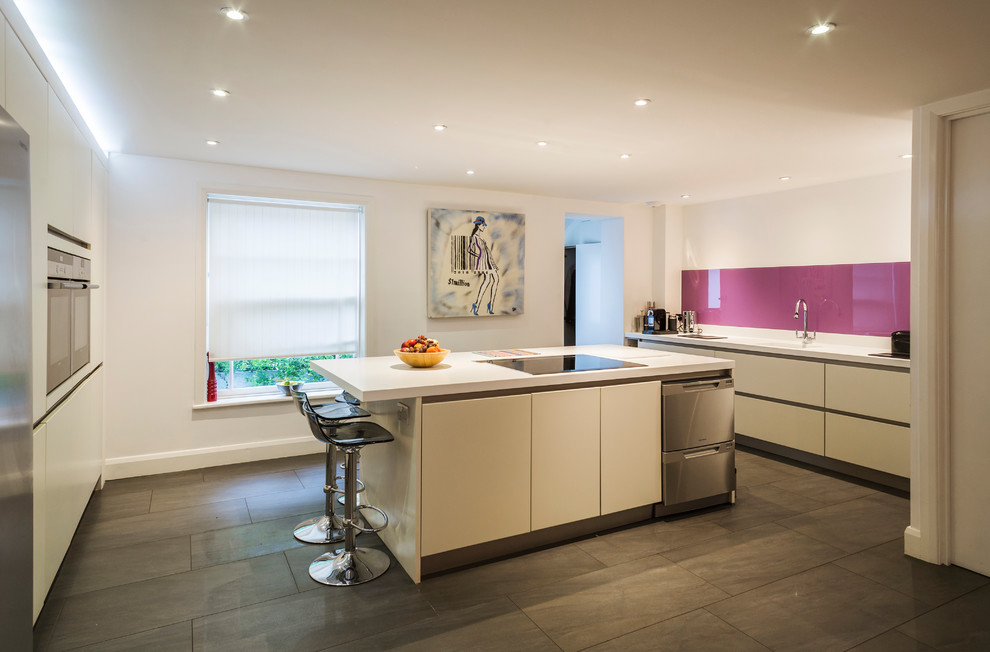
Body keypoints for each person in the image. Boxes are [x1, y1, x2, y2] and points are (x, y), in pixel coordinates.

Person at [468, 215, 499, 315]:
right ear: (479, 225)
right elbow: (469, 249)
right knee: (489, 280)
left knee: (493, 280)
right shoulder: (475, 237)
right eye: (483, 225)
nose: (484, 227)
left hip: (488, 259)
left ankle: (489, 304)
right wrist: (478, 255)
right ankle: (477, 305)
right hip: (484, 260)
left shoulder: (479, 237)